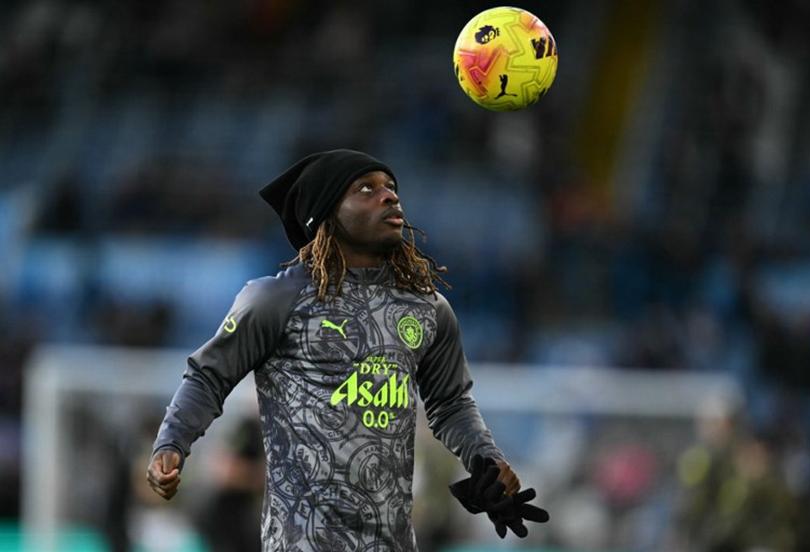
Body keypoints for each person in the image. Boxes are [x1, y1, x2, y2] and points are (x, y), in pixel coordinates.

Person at [146, 149, 548, 550]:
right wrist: (171, 442)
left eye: (391, 187)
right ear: (325, 214)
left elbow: (450, 403)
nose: (390, 196)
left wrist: (486, 460)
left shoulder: (428, 309)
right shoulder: (276, 300)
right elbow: (208, 376)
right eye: (366, 189)